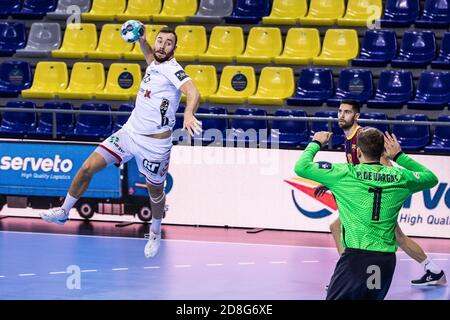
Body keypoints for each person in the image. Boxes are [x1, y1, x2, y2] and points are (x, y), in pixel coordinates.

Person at [39, 27, 201, 258]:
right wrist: (142, 41)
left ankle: (155, 232)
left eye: (168, 43)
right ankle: (64, 211)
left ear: (175, 48)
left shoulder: (174, 70)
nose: (162, 46)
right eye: (160, 41)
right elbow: (149, 57)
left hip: (155, 146)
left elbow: (193, 91)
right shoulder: (155, 63)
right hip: (129, 134)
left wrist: (188, 113)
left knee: (155, 193)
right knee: (87, 168)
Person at [295, 128, 439, 299]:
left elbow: (301, 167)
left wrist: (316, 142)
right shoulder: (401, 177)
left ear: (357, 151)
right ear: (382, 151)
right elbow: (431, 178)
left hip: (356, 260)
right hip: (384, 261)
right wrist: (399, 156)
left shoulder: (345, 173)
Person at [315, 100, 446, 286]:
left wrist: (384, 192)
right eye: (339, 111)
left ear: (356, 116)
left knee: (338, 226)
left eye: (347, 112)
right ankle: (434, 270)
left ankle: (348, 274)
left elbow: (383, 163)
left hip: (379, 198)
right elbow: (355, 169)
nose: (341, 116)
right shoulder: (348, 138)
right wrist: (330, 184)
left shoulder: (363, 135)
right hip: (370, 196)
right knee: (396, 237)